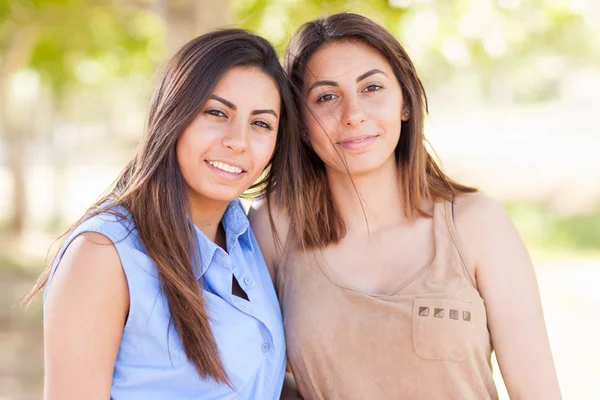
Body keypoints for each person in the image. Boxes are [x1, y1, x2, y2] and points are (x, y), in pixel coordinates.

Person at [250, 12, 561, 400]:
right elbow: (248, 373)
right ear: (301, 124)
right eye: (327, 97)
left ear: (405, 103)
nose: (353, 115)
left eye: (372, 88)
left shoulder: (478, 224)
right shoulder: (273, 228)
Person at [23, 28, 301, 400]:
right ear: (173, 115)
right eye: (217, 113)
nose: (238, 141)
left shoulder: (252, 238)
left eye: (261, 124)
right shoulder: (103, 256)